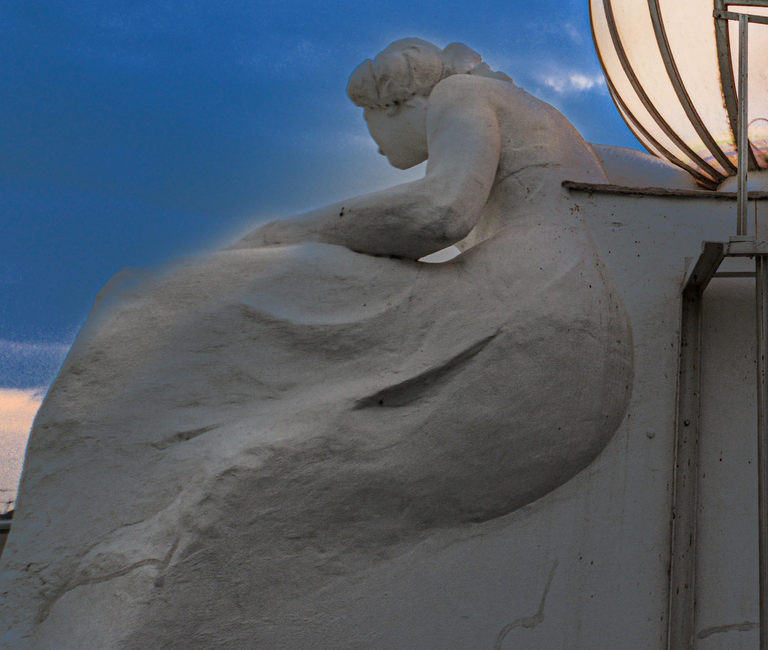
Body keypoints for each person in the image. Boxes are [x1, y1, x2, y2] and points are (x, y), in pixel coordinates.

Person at [0, 39, 634, 647]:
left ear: (397, 105)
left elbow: (437, 213)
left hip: (518, 304)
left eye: (373, 128)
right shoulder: (548, 120)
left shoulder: (459, 94)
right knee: (255, 439)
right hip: (580, 326)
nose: (377, 147)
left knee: (170, 301)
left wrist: (286, 230)